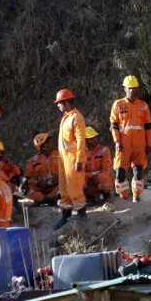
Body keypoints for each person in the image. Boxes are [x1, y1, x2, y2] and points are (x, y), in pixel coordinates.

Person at [110, 76, 151, 202]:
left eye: (134, 88)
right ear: (124, 89)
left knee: (139, 171)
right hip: (123, 144)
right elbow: (114, 125)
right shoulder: (118, 104)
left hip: (139, 144)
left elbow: (148, 127)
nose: (132, 91)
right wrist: (117, 141)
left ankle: (136, 196)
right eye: (129, 88)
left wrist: (149, 144)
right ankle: (123, 197)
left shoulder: (143, 106)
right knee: (120, 172)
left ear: (138, 89)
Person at [53, 89, 86, 230]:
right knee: (64, 189)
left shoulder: (76, 117)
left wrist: (79, 159)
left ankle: (81, 215)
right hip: (64, 159)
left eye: (59, 103)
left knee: (75, 188)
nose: (58, 106)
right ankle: (65, 216)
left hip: (72, 159)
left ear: (66, 102)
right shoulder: (66, 116)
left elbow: (80, 141)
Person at [20, 133, 59, 205]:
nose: (51, 143)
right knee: (28, 191)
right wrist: (38, 183)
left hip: (56, 186)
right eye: (49, 142)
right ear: (43, 146)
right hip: (40, 188)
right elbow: (27, 179)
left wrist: (59, 178)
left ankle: (48, 199)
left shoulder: (59, 155)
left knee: (65, 186)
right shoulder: (33, 160)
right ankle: (47, 200)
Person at [84, 126, 113, 201]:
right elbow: (80, 172)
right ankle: (89, 198)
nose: (94, 140)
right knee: (79, 180)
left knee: (103, 178)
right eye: (91, 139)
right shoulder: (81, 153)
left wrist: (96, 176)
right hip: (89, 180)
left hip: (99, 178)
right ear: (85, 140)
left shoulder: (104, 150)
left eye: (95, 137)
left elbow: (106, 169)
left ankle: (106, 196)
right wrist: (91, 176)